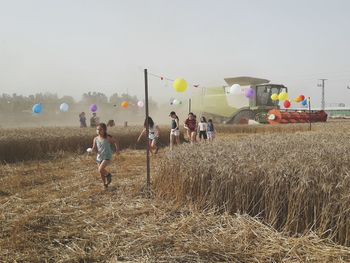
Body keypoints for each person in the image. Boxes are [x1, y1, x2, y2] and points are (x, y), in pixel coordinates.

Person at [90, 123, 119, 189]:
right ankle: (105, 185)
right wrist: (91, 151)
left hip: (107, 156)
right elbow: (94, 148)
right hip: (99, 157)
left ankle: (108, 175)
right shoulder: (95, 139)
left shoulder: (107, 138)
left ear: (104, 130)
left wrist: (117, 150)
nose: (98, 131)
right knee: (101, 172)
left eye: (100, 129)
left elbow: (116, 142)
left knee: (100, 169)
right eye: (97, 129)